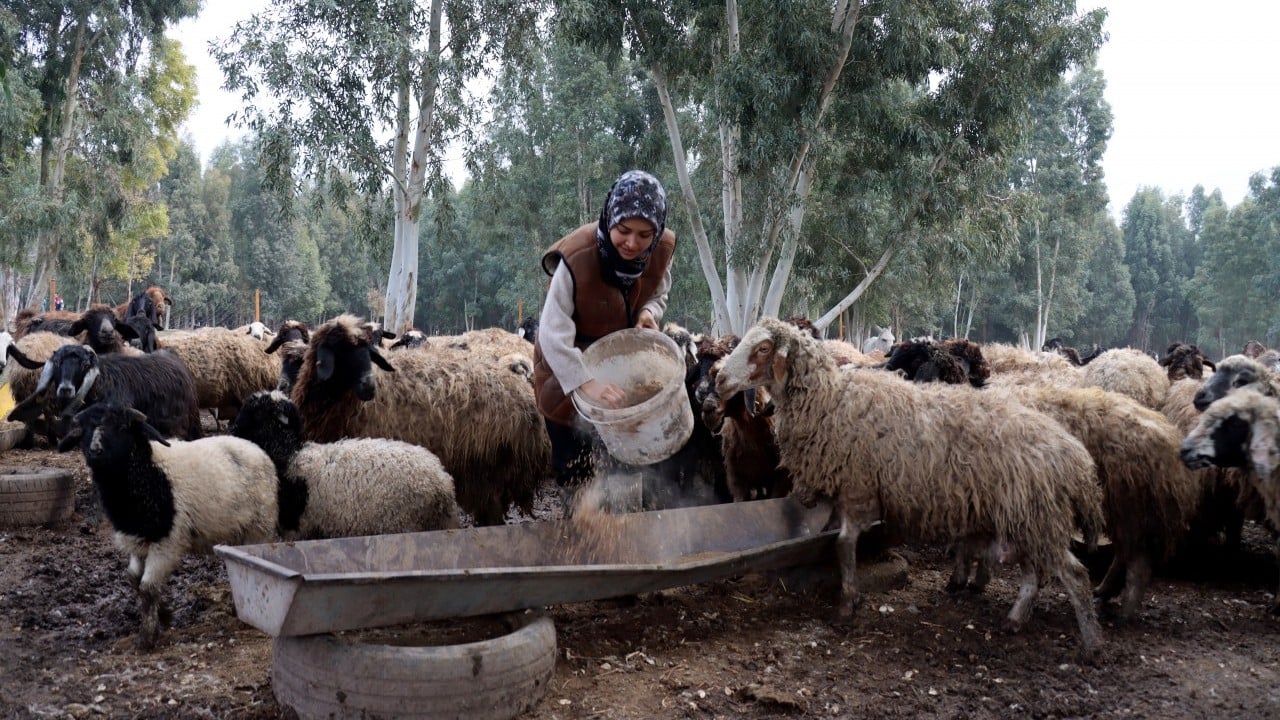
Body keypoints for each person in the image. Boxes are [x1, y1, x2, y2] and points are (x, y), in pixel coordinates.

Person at [532, 170, 676, 489]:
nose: (632, 243)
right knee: (575, 464)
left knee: (624, 460)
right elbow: (552, 334)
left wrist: (649, 313)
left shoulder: (660, 249)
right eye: (624, 230)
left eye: (644, 235)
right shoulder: (576, 258)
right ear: (609, 218)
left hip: (618, 363)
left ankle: (623, 525)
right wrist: (585, 381)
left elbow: (658, 291)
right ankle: (581, 523)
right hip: (564, 366)